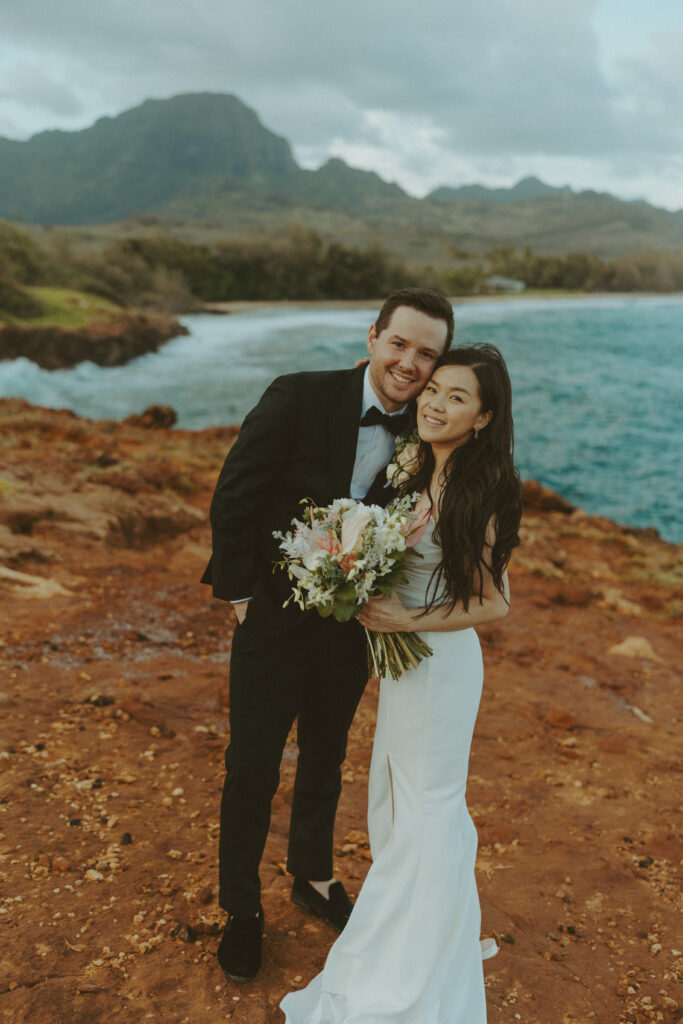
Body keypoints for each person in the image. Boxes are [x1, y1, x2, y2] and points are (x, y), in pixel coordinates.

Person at [201, 288, 454, 982]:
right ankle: (241, 908)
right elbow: (236, 493)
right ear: (373, 337)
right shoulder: (297, 395)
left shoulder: (428, 436)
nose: (409, 363)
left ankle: (310, 875)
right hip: (272, 616)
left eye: (426, 354)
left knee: (326, 751)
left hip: (354, 625)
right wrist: (241, 594)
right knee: (252, 761)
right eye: (399, 343)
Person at [280, 343, 522, 1023]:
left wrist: (403, 614)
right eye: (433, 389)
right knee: (393, 801)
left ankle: (413, 963)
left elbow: (495, 600)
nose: (435, 404)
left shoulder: (479, 483)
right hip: (404, 666)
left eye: (456, 398)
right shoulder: (417, 468)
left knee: (429, 808)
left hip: (440, 668)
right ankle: (431, 930)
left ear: (482, 417)